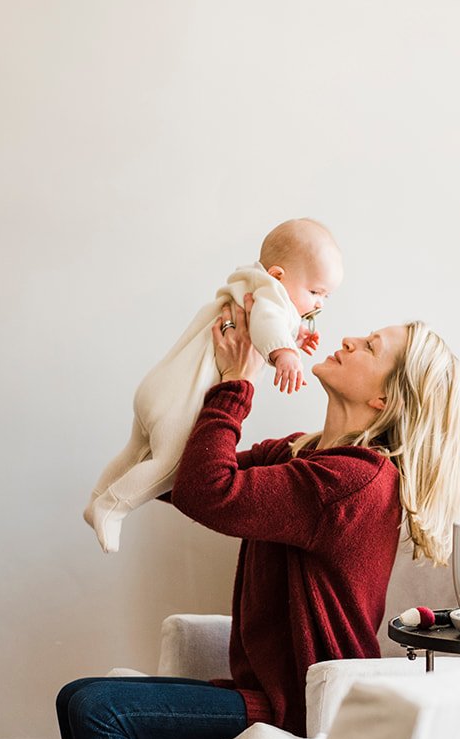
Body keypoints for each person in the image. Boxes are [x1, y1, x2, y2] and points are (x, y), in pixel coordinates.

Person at [58, 292, 460, 739]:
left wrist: (238, 382)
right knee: (83, 701)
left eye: (371, 347)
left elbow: (210, 492)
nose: (350, 339)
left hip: (297, 710)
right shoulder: (302, 454)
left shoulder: (355, 481)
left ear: (385, 399)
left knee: (96, 709)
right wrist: (211, 365)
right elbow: (182, 479)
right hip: (263, 695)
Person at [83, 218, 343, 553]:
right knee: (173, 464)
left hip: (160, 388)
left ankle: (96, 498)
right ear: (278, 276)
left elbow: (269, 322)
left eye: (325, 296)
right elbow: (266, 322)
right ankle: (112, 507)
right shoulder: (271, 297)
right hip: (181, 401)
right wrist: (285, 354)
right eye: (315, 292)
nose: (320, 304)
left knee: (135, 451)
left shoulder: (251, 288)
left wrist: (294, 335)